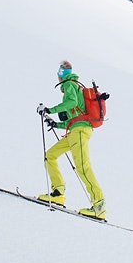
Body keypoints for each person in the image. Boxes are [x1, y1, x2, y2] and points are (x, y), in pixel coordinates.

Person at [36, 60, 107, 220]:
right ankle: (57, 193)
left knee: (82, 167)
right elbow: (74, 118)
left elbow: (72, 103)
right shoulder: (76, 86)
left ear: (61, 75)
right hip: (75, 131)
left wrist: (50, 110)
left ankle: (99, 206)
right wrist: (56, 124)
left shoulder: (69, 85)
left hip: (80, 132)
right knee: (51, 155)